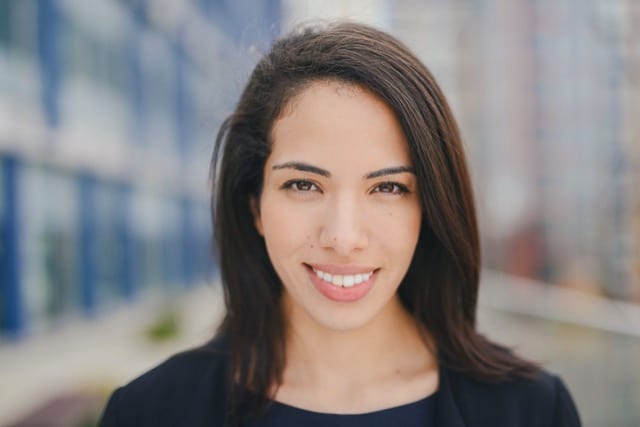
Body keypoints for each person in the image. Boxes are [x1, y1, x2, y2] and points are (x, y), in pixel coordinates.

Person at [99, 22, 581, 426]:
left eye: (388, 188)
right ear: (254, 205)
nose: (344, 238)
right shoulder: (150, 411)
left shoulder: (530, 410)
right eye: (304, 185)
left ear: (429, 208)